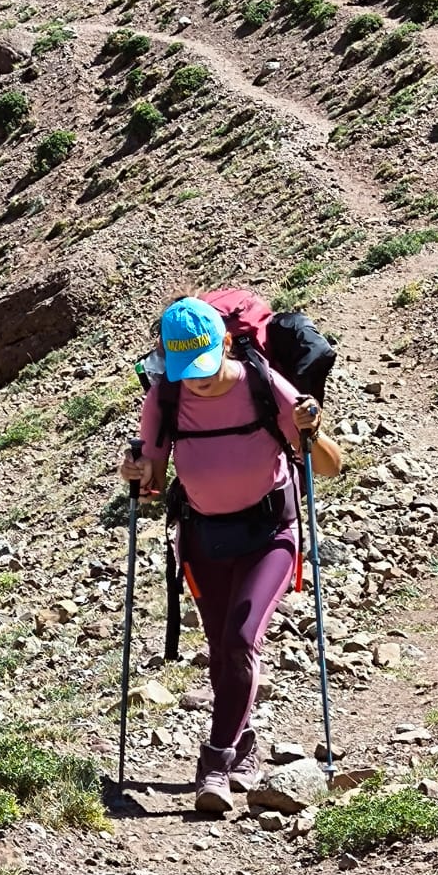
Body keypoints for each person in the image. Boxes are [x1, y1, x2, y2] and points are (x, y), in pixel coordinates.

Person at [120, 295, 342, 814]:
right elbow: (152, 487)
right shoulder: (165, 397)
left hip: (272, 533)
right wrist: (136, 474)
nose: (195, 379)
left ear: (225, 344)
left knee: (242, 640)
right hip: (203, 538)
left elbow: (330, 467)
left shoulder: (264, 385)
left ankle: (215, 762)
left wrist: (311, 431)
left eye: (203, 364)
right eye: (184, 368)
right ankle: (243, 748)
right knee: (222, 650)